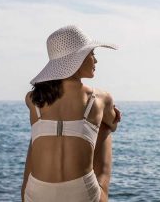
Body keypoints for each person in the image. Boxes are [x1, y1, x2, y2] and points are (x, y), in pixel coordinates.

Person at [22, 25, 121, 202]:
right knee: (105, 127)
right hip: (80, 193)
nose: (95, 61)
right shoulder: (100, 98)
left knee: (39, 130)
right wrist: (110, 123)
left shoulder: (32, 99)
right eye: (92, 54)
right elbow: (113, 122)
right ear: (78, 60)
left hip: (35, 192)